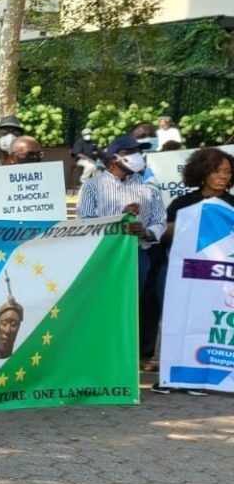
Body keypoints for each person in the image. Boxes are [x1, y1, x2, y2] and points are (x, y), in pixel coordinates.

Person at [79, 135, 168, 365]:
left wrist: (146, 232)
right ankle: (97, 355)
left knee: (131, 307)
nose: (137, 157)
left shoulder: (148, 188)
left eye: (139, 152)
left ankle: (124, 358)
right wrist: (120, 218)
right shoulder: (92, 186)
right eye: (131, 153)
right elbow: (85, 222)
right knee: (102, 305)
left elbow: (160, 221)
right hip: (102, 258)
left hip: (137, 256)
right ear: (114, 158)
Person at [153, 147, 234, 395]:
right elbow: (164, 234)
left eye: (228, 172)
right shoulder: (184, 203)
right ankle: (169, 376)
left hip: (216, 278)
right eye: (216, 171)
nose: (223, 177)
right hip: (182, 275)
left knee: (205, 325)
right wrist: (187, 224)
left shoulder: (231, 206)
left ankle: (199, 377)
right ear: (202, 173)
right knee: (175, 322)